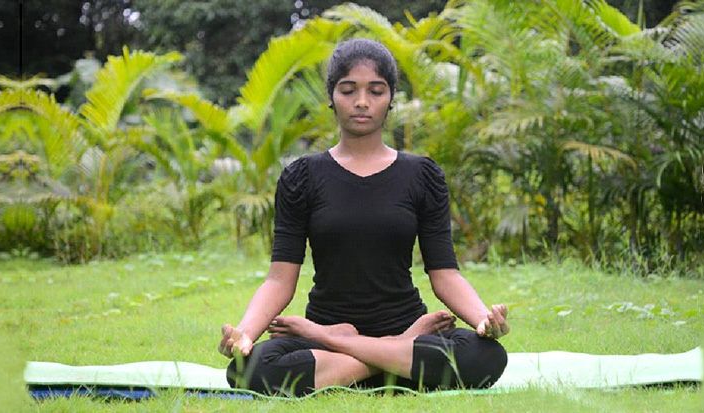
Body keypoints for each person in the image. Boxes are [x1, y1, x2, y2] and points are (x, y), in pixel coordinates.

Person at [218, 38, 509, 397]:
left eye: (376, 90)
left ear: (390, 98)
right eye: (348, 90)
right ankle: (390, 358)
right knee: (249, 369)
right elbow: (280, 280)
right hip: (335, 331)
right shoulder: (301, 177)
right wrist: (245, 333)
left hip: (393, 328)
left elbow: (445, 275)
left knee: (487, 356)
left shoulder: (422, 175)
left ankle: (362, 357)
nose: (361, 102)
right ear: (331, 96)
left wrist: (482, 320)